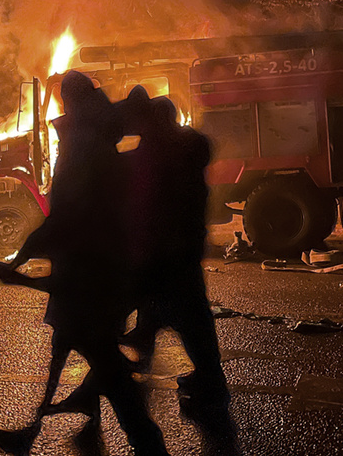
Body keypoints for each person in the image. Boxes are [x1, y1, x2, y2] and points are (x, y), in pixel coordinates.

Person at [0, 71, 169, 456]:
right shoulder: (99, 142)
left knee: (102, 359)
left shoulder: (82, 148)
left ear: (71, 103)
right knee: (66, 344)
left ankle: (146, 442)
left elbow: (65, 217)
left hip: (88, 275)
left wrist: (19, 259)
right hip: (94, 270)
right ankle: (42, 429)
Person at [119, 89, 239, 454]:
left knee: (182, 317)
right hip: (184, 251)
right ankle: (202, 378)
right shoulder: (191, 146)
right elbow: (200, 143)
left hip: (163, 255)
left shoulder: (155, 153)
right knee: (187, 319)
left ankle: (207, 385)